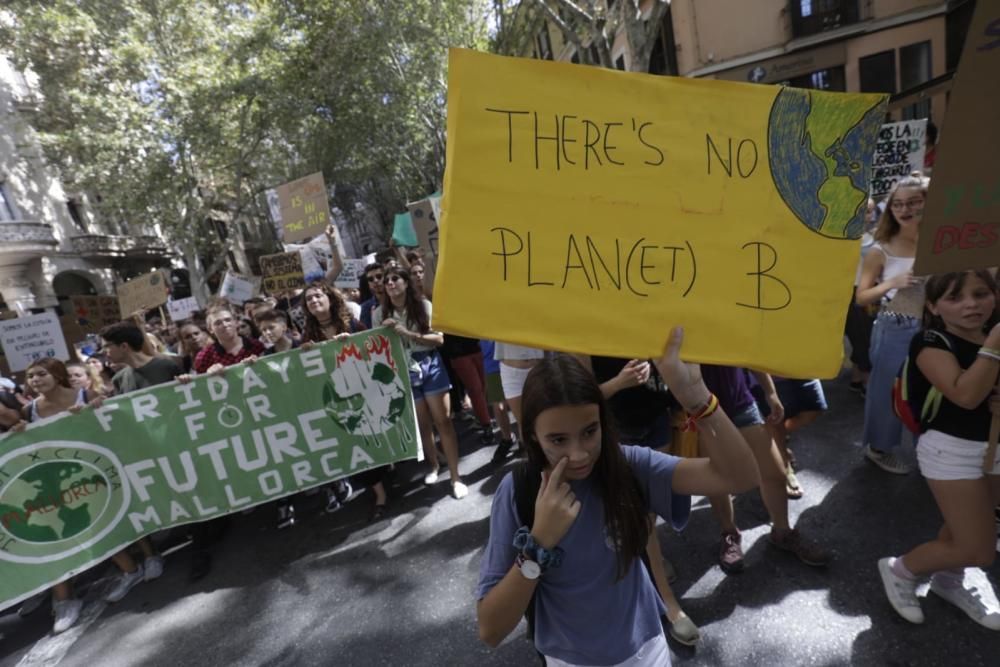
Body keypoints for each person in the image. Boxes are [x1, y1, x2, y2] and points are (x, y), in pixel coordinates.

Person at [476, 328, 759, 664]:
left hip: (646, 651)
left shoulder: (629, 465)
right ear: (534, 438)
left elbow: (740, 476)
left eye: (589, 432)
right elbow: (491, 630)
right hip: (569, 660)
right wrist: (538, 544)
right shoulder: (518, 490)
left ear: (603, 423)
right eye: (558, 440)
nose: (579, 454)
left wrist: (697, 397)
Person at [878, 270, 1000, 629]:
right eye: (954, 298)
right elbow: (965, 394)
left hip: (993, 446)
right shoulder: (931, 341)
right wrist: (993, 343)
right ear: (932, 305)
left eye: (981, 294)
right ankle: (901, 569)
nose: (971, 305)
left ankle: (948, 581)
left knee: (965, 526)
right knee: (979, 548)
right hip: (951, 450)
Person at [10, 359, 110, 633]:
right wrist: (18, 431)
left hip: (88, 471)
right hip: (48, 481)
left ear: (56, 375)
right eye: (29, 376)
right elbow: (19, 436)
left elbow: (108, 423)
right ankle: (62, 598)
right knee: (49, 536)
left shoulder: (84, 395)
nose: (34, 380)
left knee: (101, 520)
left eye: (41, 374)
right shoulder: (28, 409)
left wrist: (95, 409)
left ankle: (136, 564)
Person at [702, 366, 830, 572]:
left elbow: (749, 350)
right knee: (718, 478)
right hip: (700, 411)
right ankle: (729, 534)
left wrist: (770, 392)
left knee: (775, 474)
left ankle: (782, 532)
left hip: (739, 402)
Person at [100, 321, 181, 598]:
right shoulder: (119, 380)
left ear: (124, 346)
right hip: (145, 450)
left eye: (107, 347)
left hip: (178, 444)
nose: (104, 353)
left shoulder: (168, 366)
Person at [373, 265, 468, 499]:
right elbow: (374, 347)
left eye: (396, 278)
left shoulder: (424, 306)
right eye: (387, 281)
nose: (391, 283)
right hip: (403, 371)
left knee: (443, 422)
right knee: (423, 425)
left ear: (406, 283)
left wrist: (408, 334)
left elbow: (439, 339)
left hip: (430, 364)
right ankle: (434, 465)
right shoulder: (378, 314)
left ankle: (456, 478)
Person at [856, 175, 928, 474]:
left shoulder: (943, 240)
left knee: (929, 392)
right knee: (887, 392)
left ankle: (931, 450)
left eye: (913, 202)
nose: (904, 209)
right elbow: (862, 297)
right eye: (897, 203)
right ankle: (879, 448)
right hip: (894, 326)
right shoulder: (880, 247)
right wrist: (893, 282)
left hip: (936, 328)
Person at [301, 283, 364, 515]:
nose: (314, 300)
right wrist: (305, 351)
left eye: (318, 295)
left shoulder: (352, 323)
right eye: (309, 299)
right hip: (332, 392)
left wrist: (354, 341)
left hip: (360, 386)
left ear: (329, 298)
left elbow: (371, 345)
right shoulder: (308, 334)